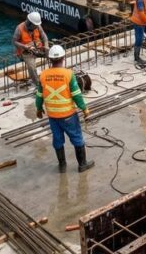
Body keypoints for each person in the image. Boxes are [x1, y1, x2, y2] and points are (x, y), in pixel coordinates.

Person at [35, 45, 94, 173]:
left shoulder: (43, 75)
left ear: (50, 59)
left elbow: (39, 95)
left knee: (57, 140)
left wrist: (38, 109)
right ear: (63, 58)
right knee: (77, 138)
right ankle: (82, 165)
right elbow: (77, 95)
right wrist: (84, 109)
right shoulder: (68, 74)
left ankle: (62, 166)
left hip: (53, 116)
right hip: (68, 115)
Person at [12, 12, 49, 87]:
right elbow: (14, 41)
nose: (36, 27)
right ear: (29, 23)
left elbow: (44, 38)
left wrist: (46, 47)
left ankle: (55, 74)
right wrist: (24, 46)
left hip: (38, 48)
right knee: (31, 67)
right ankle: (38, 84)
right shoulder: (19, 28)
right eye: (34, 25)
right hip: (26, 52)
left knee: (53, 55)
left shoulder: (38, 26)